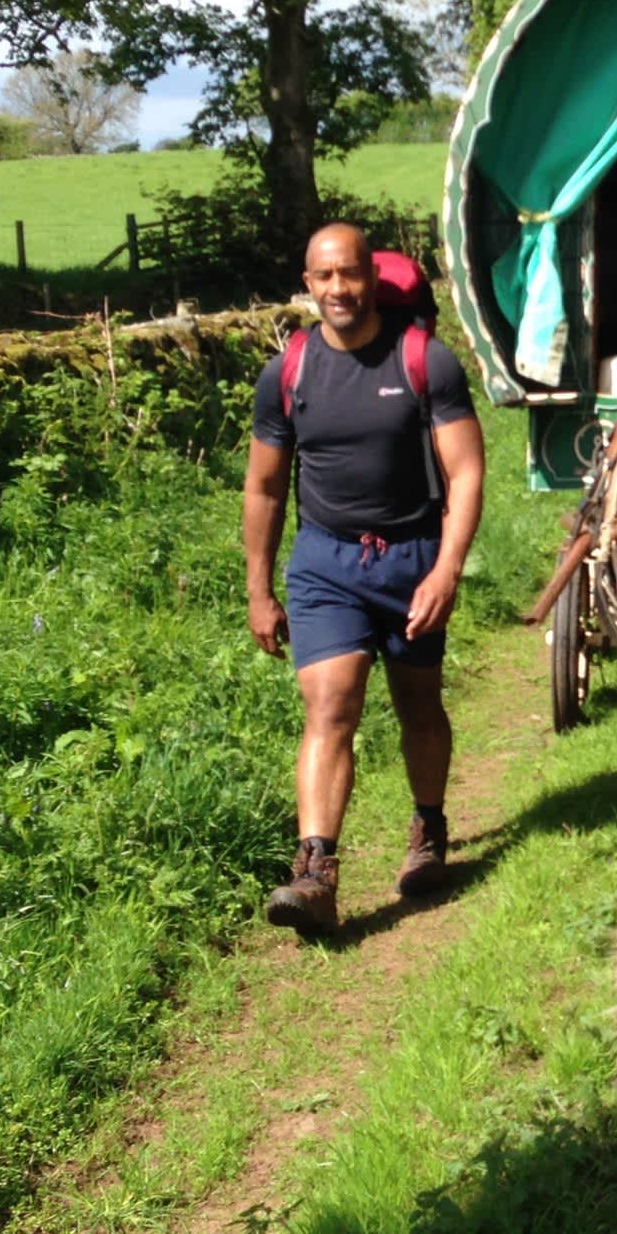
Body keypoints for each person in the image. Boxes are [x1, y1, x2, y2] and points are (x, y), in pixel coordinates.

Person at [243, 222, 486, 935]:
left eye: (349, 274)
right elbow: (263, 489)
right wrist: (259, 590)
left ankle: (429, 829)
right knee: (330, 707)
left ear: (371, 279)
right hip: (325, 564)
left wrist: (446, 569)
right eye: (323, 277)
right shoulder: (288, 372)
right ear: (308, 283)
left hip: (412, 558)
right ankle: (315, 872)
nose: (338, 289)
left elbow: (466, 471)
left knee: (419, 705)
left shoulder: (424, 362)